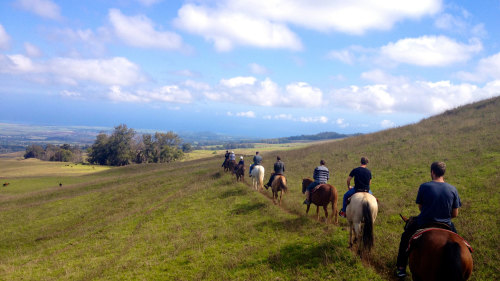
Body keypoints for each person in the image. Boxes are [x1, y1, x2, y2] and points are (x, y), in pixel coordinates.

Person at [394, 161, 462, 278]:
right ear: (443, 173)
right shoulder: (453, 189)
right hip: (446, 224)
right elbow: (455, 213)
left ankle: (401, 268)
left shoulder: (424, 186)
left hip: (425, 222)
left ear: (432, 172)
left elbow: (420, 207)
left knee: (405, 237)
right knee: (459, 243)